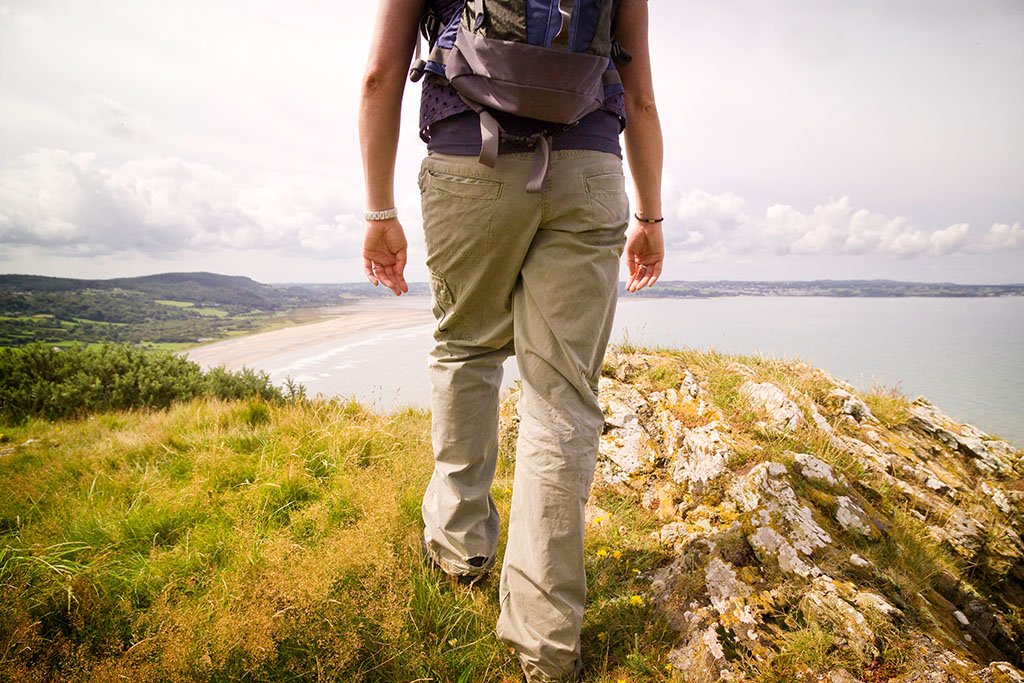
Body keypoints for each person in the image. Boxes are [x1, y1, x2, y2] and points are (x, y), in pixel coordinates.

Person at [359, 0, 664, 679]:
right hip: (589, 167)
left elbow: (381, 74)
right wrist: (650, 213)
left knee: (466, 348)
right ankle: (547, 645)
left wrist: (379, 211)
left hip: (472, 160)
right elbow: (638, 94)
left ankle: (459, 547)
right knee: (561, 398)